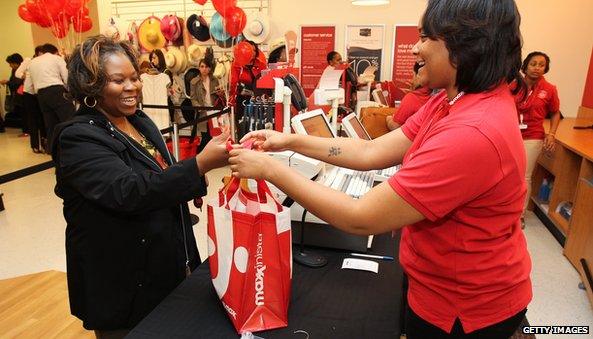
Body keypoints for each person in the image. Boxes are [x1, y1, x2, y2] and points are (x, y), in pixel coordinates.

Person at [229, 0, 531, 338]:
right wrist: (288, 141)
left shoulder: (472, 133)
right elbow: (371, 151)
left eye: (426, 37)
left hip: (464, 309)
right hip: (437, 284)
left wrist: (270, 170)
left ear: (465, 45)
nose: (416, 48)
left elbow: (361, 217)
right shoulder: (450, 100)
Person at [51, 36, 229, 338]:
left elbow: (156, 169)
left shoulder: (138, 120)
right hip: (122, 280)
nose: (132, 86)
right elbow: (128, 191)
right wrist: (198, 165)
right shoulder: (77, 138)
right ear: (91, 85)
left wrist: (191, 178)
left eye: (135, 77)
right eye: (118, 80)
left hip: (164, 265)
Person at [512, 51, 561, 228]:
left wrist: (552, 134)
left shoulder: (549, 89)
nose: (537, 68)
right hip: (510, 133)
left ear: (545, 68)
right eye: (533, 64)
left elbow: (555, 113)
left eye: (541, 65)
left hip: (532, 135)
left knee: (524, 176)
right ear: (525, 65)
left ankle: (519, 215)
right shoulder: (514, 84)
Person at [28, 43, 75, 148]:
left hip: (41, 94)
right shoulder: (56, 58)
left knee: (50, 124)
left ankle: (53, 149)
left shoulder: (32, 62)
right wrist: (70, 92)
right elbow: (66, 77)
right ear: (55, 52)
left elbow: (29, 84)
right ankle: (74, 146)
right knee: (70, 119)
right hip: (56, 90)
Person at [16, 45, 47, 153]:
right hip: (29, 94)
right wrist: (25, 76)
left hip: (40, 93)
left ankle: (44, 144)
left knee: (42, 119)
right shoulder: (29, 61)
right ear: (38, 53)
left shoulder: (44, 63)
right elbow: (17, 73)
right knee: (33, 120)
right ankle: (36, 145)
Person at [387, 62, 432, 131]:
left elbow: (394, 126)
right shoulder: (440, 97)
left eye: (412, 75)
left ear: (419, 75)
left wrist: (388, 119)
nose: (411, 80)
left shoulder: (412, 98)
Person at [1, 53, 26, 135]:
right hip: (18, 96)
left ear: (16, 63)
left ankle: (26, 131)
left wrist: (7, 82)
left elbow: (16, 83)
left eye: (10, 64)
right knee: (20, 113)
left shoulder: (21, 70)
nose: (10, 66)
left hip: (22, 96)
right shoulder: (14, 70)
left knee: (23, 113)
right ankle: (25, 130)